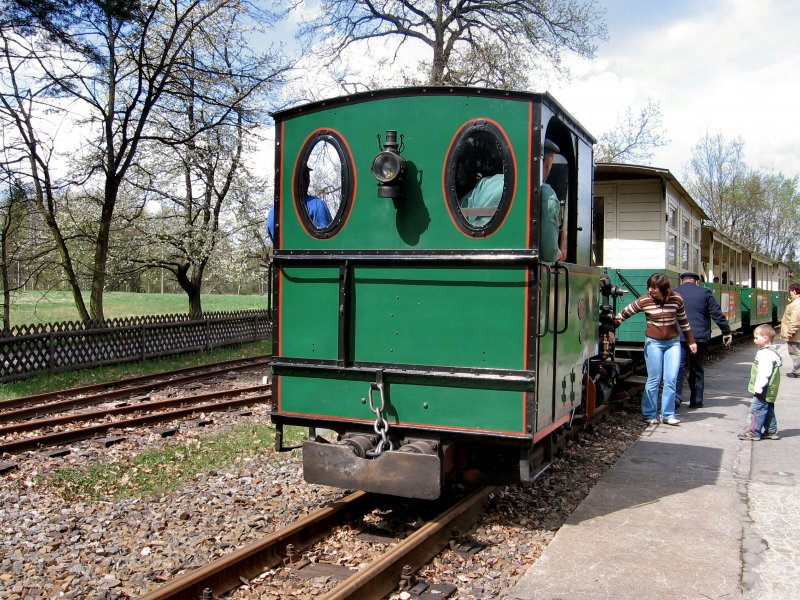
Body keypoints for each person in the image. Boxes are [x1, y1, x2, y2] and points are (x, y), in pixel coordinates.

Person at [612, 273, 697, 425]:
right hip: (654, 343)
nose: (650, 290)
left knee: (671, 379)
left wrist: (691, 341)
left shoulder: (676, 299)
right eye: (649, 286)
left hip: (673, 343)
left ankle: (668, 415)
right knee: (654, 379)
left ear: (664, 288)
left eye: (654, 287)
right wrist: (611, 329)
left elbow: (683, 321)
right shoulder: (645, 300)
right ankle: (649, 414)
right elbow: (624, 314)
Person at [675, 272, 733, 409]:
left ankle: (675, 399)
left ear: (683, 281)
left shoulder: (674, 293)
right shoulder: (705, 293)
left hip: (679, 337)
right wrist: (726, 331)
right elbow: (716, 313)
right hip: (699, 338)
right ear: (697, 281)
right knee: (697, 369)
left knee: (678, 368)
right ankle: (696, 400)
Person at [267, 165, 333, 241]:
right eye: (306, 177)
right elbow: (327, 240)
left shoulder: (273, 211)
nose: (308, 181)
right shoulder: (317, 204)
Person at [739, 324, 782, 440]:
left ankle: (754, 432)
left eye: (756, 338)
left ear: (765, 338)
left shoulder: (765, 354)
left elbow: (764, 373)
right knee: (768, 409)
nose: (754, 341)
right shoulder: (772, 352)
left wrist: (758, 387)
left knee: (757, 410)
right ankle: (771, 431)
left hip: (763, 388)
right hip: (769, 389)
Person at [540, 138, 563, 262]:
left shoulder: (485, 183)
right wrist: (557, 253)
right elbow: (550, 253)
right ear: (548, 163)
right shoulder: (546, 194)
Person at [780, 282, 800, 378]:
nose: (790, 293)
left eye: (790, 291)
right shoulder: (795, 302)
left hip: (795, 334)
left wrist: (791, 332)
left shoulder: (796, 304)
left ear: (794, 291)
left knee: (795, 353)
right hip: (796, 334)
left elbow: (795, 320)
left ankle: (797, 371)